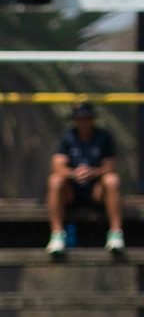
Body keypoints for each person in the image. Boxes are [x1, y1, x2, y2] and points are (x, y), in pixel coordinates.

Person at [46, 103, 124, 258]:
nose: (83, 122)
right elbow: (56, 165)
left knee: (112, 180)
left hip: (96, 191)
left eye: (86, 119)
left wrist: (93, 173)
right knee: (55, 180)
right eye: (79, 119)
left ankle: (116, 234)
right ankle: (57, 235)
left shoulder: (103, 137)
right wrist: (73, 174)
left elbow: (111, 166)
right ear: (74, 120)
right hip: (72, 192)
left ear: (92, 119)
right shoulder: (67, 138)